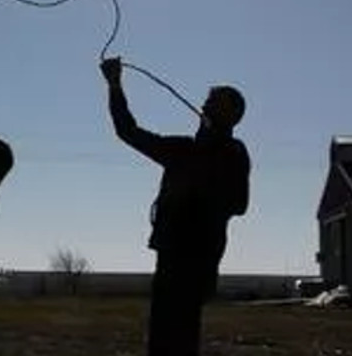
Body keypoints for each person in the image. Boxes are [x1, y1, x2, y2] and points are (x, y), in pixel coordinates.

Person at [100, 56, 250, 356]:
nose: (204, 106)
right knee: (166, 337)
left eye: (212, 103)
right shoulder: (186, 150)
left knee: (178, 336)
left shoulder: (228, 153)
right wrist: (115, 86)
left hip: (196, 259)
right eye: (206, 101)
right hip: (174, 256)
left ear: (230, 114)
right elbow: (128, 131)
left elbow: (239, 204)